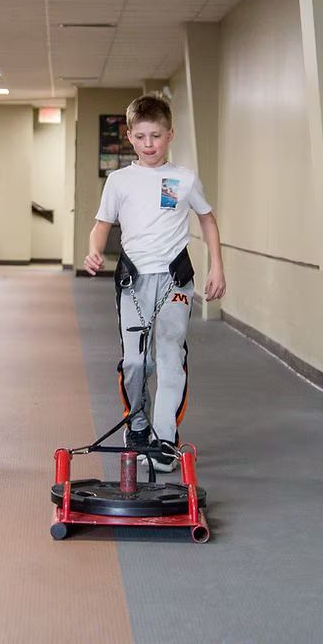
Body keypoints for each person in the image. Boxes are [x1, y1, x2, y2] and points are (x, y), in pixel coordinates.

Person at [84, 94, 226, 472]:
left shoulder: (184, 179)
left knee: (169, 356)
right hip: (133, 281)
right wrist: (94, 251)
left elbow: (208, 219)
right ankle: (138, 425)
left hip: (175, 279)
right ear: (129, 136)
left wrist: (217, 267)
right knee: (136, 361)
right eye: (142, 136)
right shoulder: (119, 181)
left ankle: (164, 438)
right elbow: (102, 224)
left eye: (157, 136)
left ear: (170, 135)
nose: (150, 144)